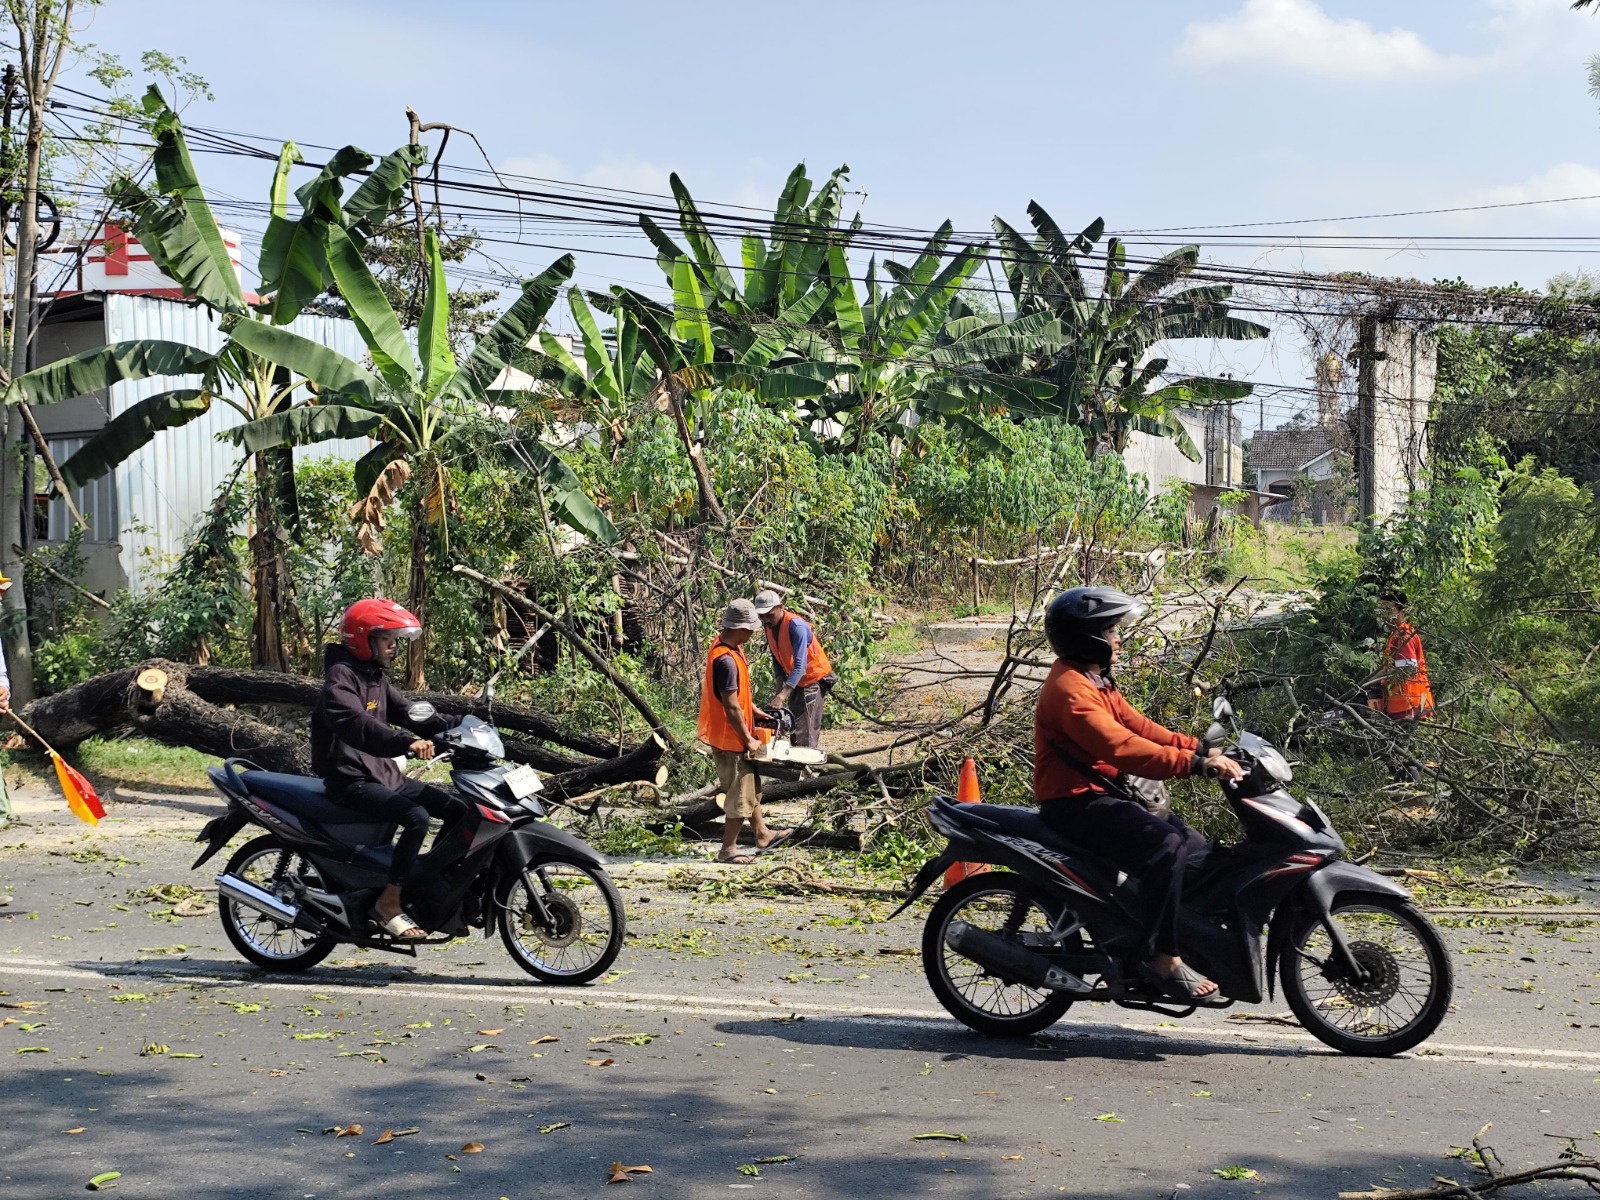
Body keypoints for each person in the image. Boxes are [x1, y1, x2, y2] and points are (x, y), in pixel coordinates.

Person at [1033, 586, 1245, 1002]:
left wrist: (1202, 748)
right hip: (1075, 802)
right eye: (1111, 631)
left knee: (1199, 852)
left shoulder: (1094, 680)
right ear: (1089, 637)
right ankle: (1162, 958)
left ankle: (1173, 934)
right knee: (1166, 847)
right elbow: (1122, 748)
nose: (1118, 639)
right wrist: (1193, 765)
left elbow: (1140, 727)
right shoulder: (1071, 691)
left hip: (1104, 795)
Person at [310, 599, 467, 939]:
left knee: (460, 811)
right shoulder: (341, 678)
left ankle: (430, 884)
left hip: (381, 774)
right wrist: (405, 743)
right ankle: (389, 902)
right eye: (386, 638)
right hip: (350, 779)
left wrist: (462, 724)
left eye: (396, 638)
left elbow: (410, 712)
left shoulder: (373, 676)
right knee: (416, 819)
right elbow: (356, 724)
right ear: (362, 639)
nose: (394, 645)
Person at [697, 599, 794, 865]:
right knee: (740, 796)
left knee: (750, 790)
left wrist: (753, 710)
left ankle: (762, 833)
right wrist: (748, 739)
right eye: (750, 629)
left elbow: (735, 696)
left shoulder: (727, 647)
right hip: (731, 739)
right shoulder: (726, 660)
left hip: (730, 734)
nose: (753, 633)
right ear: (739, 627)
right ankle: (728, 849)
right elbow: (729, 704)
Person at [753, 589, 837, 750]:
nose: (765, 620)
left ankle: (808, 770)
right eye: (761, 616)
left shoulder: (796, 626)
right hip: (797, 680)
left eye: (769, 615)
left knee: (804, 733)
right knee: (794, 728)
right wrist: (778, 690)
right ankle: (800, 769)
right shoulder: (769, 627)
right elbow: (776, 659)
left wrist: (782, 696)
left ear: (780, 607)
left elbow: (800, 666)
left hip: (813, 678)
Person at [1377, 588, 1434, 722]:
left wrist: (1377, 677)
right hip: (1402, 702)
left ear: (1402, 612)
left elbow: (1407, 668)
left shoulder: (1405, 634)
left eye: (1388, 610)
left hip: (1409, 702)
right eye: (1382, 611)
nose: (1384, 615)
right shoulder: (1395, 634)